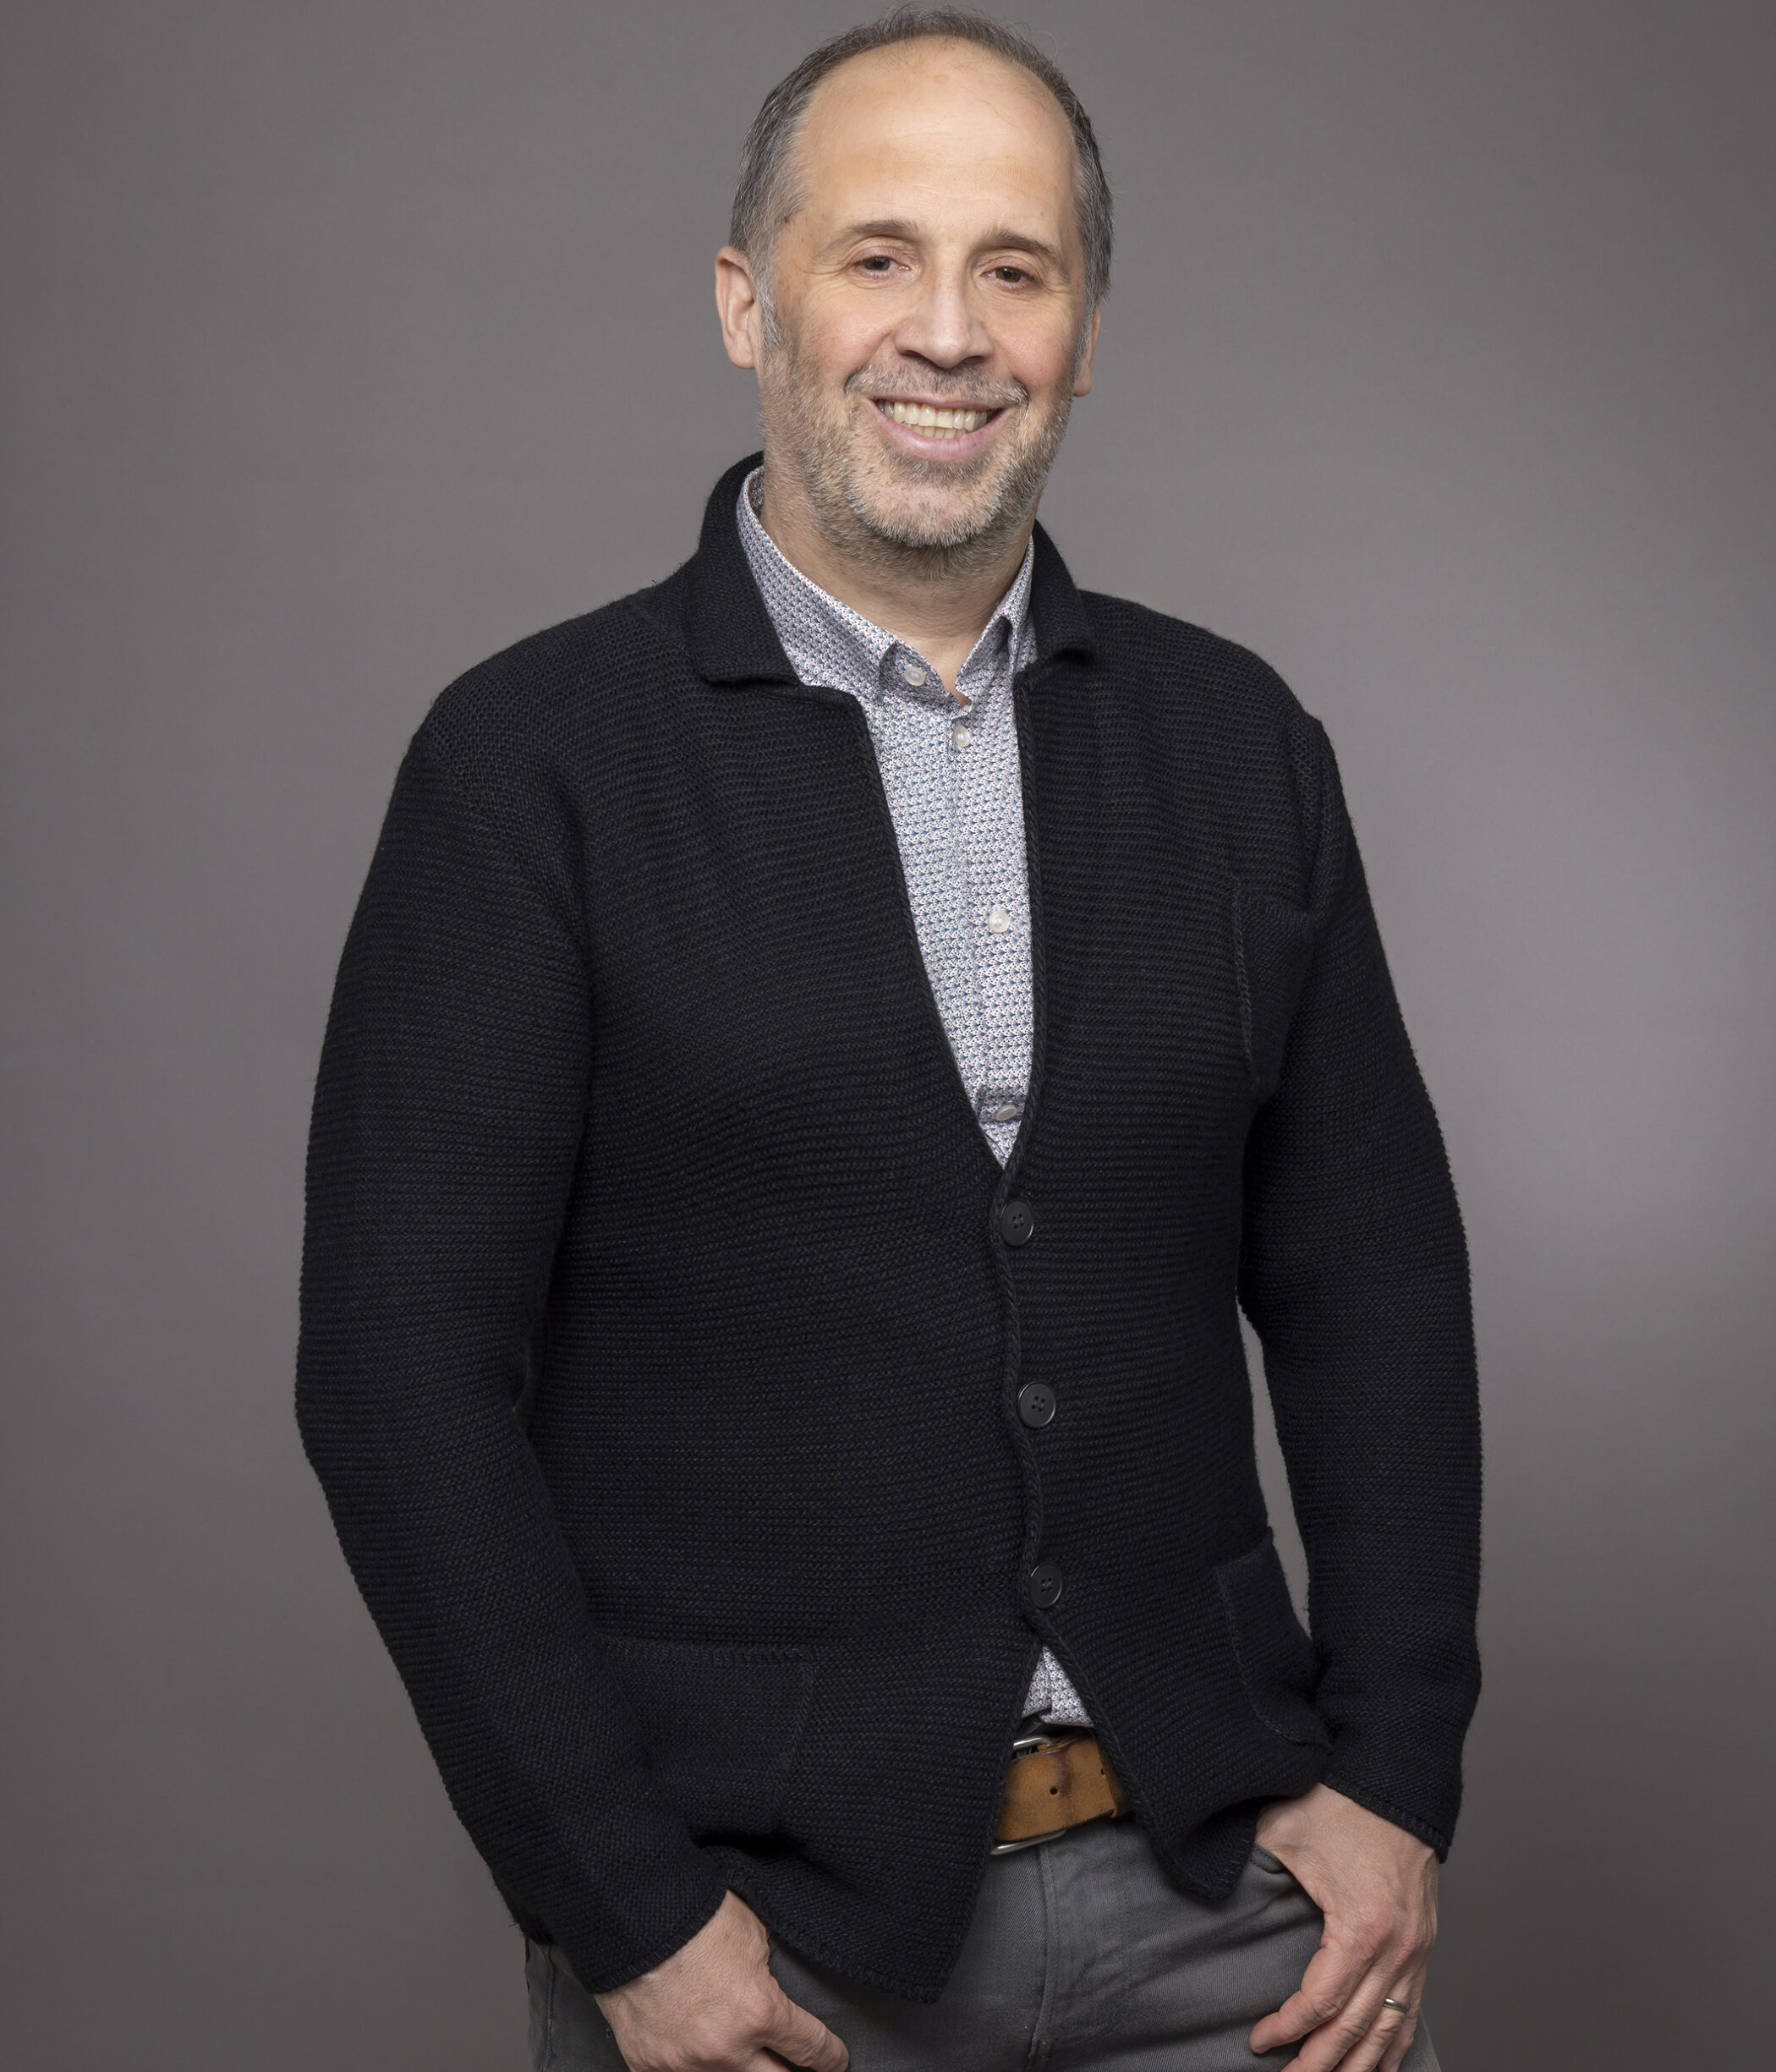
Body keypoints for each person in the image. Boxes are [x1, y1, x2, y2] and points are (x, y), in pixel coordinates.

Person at [296, 9, 1480, 2069]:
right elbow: (398, 1385)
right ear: (749, 301)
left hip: (1236, 1926)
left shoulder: (1235, 746)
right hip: (766, 1956)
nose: (950, 330)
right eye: (879, 256)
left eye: (1014, 269)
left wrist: (1399, 1774)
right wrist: (625, 1911)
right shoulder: (531, 770)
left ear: (1083, 332)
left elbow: (1374, 1288)